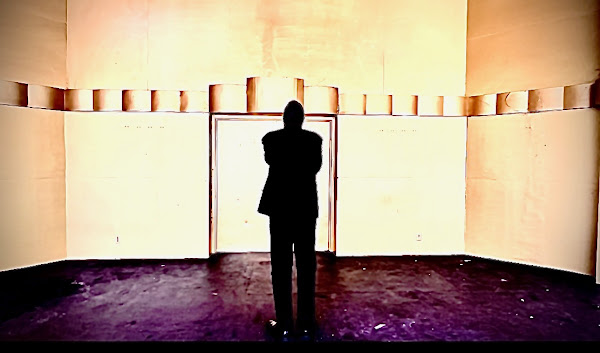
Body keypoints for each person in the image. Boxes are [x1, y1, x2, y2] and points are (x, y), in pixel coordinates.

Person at [258, 100, 323, 342]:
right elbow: (314, 167)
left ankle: (284, 324)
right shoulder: (313, 140)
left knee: (281, 267)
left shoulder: (271, 139)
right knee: (307, 266)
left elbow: (272, 161)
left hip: (280, 210)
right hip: (305, 210)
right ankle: (306, 324)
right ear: (303, 118)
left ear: (284, 118)